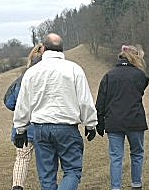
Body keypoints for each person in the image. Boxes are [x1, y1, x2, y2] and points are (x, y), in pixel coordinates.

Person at [13, 33, 97, 190]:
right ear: (62, 49)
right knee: (72, 171)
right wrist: (91, 124)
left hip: (40, 128)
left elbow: (23, 104)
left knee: (46, 176)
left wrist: (20, 129)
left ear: (43, 49)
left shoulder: (31, 72)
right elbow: (85, 101)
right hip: (67, 127)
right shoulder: (74, 69)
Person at [95, 44, 149, 190]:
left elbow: (101, 101)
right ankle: (136, 184)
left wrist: (99, 121)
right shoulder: (140, 75)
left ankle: (116, 187)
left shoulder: (109, 75)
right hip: (135, 120)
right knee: (137, 153)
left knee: (116, 157)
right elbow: (141, 90)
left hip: (113, 121)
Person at [7, 43, 44, 190]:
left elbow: (9, 102)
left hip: (24, 127)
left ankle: (17, 186)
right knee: (45, 161)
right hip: (44, 126)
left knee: (22, 159)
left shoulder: (22, 79)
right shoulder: (51, 76)